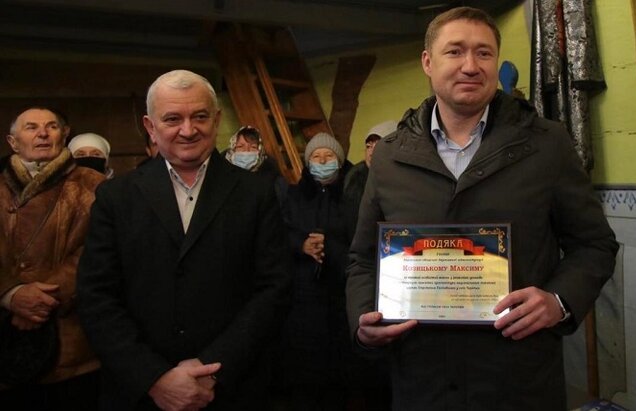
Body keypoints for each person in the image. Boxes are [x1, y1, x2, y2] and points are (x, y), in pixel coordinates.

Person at [345, 7, 619, 411]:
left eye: (484, 53)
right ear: (428, 62)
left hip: (518, 380)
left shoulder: (547, 144)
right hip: (423, 381)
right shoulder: (389, 155)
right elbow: (362, 259)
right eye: (454, 52)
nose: (470, 66)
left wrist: (558, 300)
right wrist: (362, 319)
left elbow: (595, 245)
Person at [76, 69, 291, 410]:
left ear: (216, 120)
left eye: (200, 117)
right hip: (140, 393)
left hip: (232, 387)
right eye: (173, 118)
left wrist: (215, 367)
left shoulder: (256, 193)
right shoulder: (116, 197)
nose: (188, 130)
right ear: (150, 127)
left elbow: (274, 288)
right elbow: (96, 296)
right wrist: (153, 378)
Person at [0, 107, 105, 409]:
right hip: (7, 336)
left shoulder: (94, 185)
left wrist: (38, 301)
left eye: (51, 127)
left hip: (71, 343)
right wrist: (11, 294)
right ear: (12, 141)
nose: (43, 133)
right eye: (31, 127)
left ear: (65, 134)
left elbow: (96, 252)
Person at [278, 132, 356, 409]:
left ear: (340, 160)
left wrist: (330, 247)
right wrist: (302, 244)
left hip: (342, 293)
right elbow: (278, 233)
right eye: (316, 157)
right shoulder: (294, 195)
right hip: (303, 295)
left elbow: (361, 243)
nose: (322, 161)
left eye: (328, 156)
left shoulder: (353, 193)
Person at [343, 120, 397, 241]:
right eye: (368, 146)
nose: (371, 153)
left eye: (379, 145)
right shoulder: (354, 180)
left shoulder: (409, 180)